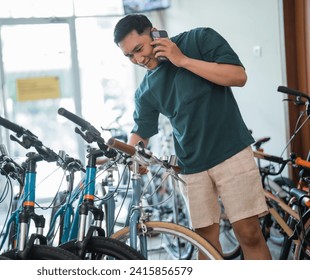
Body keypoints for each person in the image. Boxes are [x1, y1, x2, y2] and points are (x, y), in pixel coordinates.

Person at [113, 14, 271, 260]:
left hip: (231, 152)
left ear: (153, 33)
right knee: (205, 243)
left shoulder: (198, 39)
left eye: (139, 49)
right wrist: (131, 155)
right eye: (129, 56)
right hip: (191, 167)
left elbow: (238, 76)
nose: (138, 59)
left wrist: (182, 60)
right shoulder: (144, 91)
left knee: (249, 233)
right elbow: (141, 131)